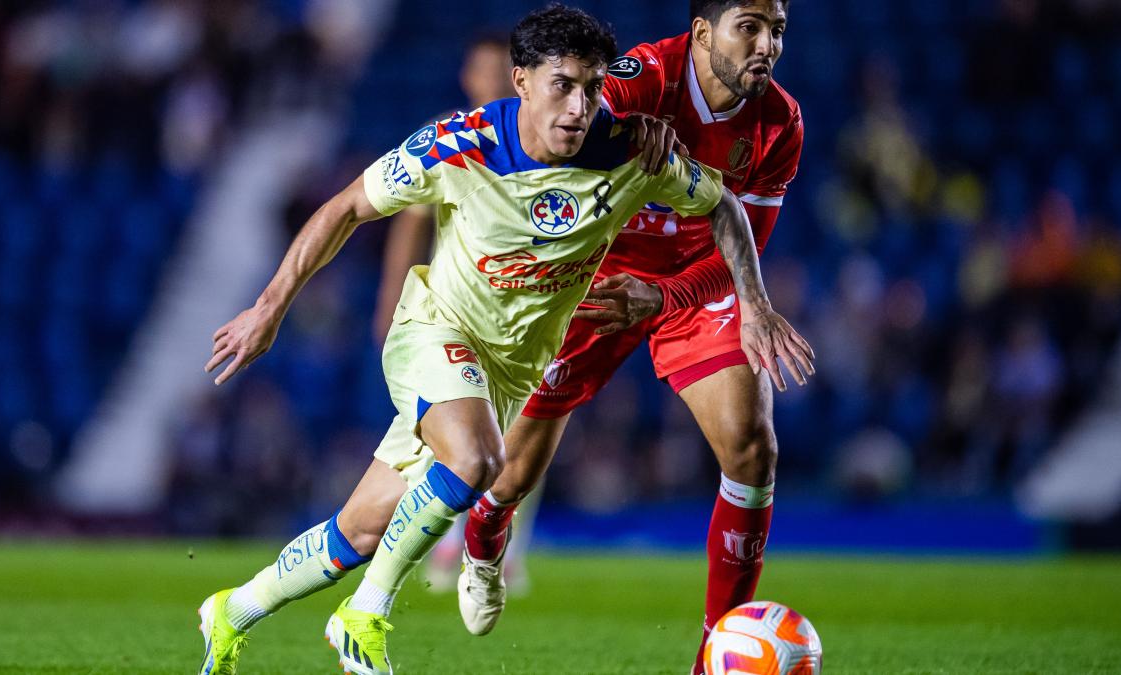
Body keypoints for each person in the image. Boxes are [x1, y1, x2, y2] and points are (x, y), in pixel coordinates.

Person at [195, 5, 809, 674]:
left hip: (516, 364)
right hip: (438, 331)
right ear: (520, 82)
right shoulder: (459, 144)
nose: (579, 106)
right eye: (561, 86)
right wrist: (269, 306)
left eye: (591, 89)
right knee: (476, 462)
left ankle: (233, 609)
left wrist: (752, 302)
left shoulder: (635, 149)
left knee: (363, 528)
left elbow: (723, 205)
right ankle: (365, 615)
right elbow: (345, 206)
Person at [454, 3, 810, 673]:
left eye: (778, 30)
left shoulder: (779, 123)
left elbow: (743, 250)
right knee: (515, 471)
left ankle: (716, 652)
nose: (768, 45)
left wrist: (689, 296)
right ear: (704, 33)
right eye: (751, 27)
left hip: (691, 287)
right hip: (598, 274)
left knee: (752, 444)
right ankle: (487, 525)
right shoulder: (640, 77)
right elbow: (559, 132)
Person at [370, 33, 539, 595]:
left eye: (501, 68)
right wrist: (391, 298)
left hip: (524, 314)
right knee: (458, 434)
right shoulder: (449, 137)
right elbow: (410, 221)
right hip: (455, 310)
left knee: (526, 427)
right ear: (469, 77)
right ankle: (445, 543)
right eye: (482, 68)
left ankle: (503, 544)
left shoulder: (545, 135)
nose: (491, 79)